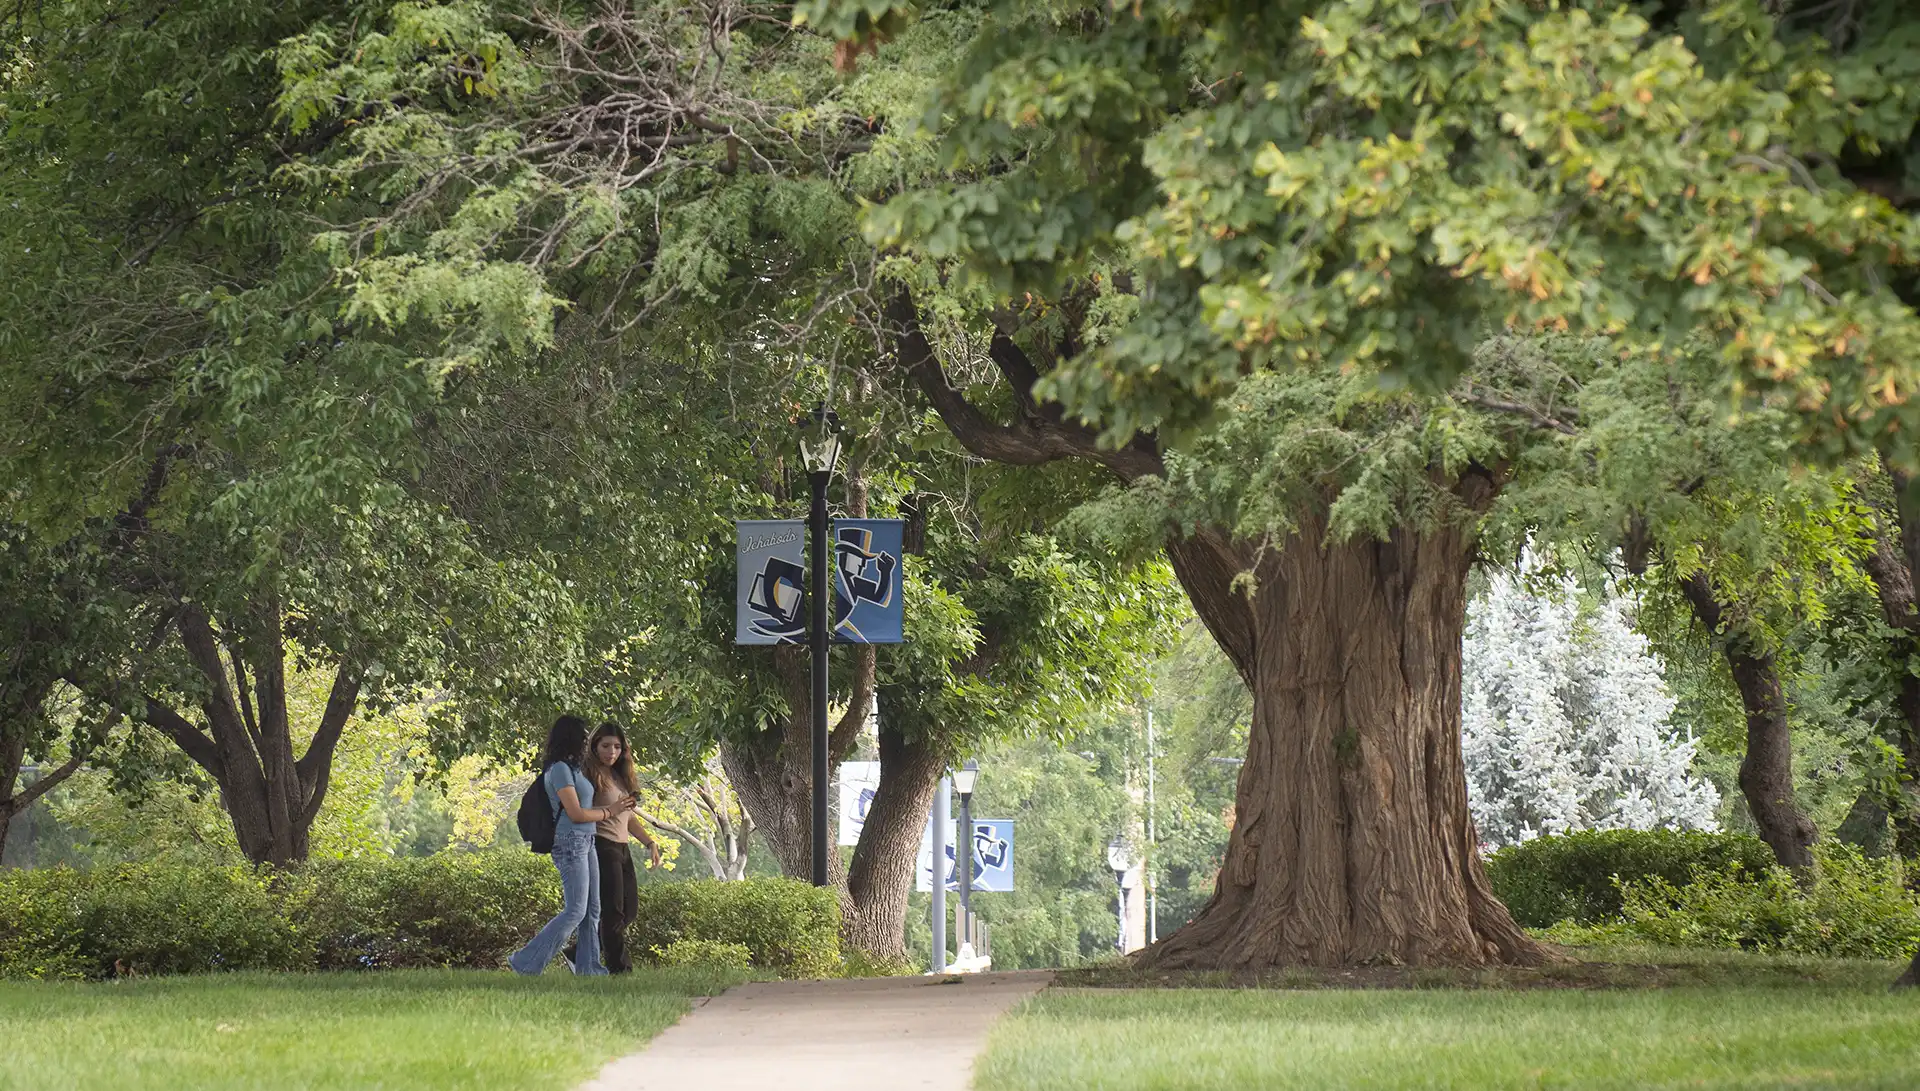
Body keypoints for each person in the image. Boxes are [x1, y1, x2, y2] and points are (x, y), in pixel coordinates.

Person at [507, 715, 636, 976]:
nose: (587, 740)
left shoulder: (575, 769)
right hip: (570, 843)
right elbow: (576, 813)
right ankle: (525, 962)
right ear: (571, 737)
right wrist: (609, 812)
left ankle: (590, 969)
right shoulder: (559, 770)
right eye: (584, 735)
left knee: (593, 911)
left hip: (586, 842)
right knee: (576, 910)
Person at [577, 722, 663, 974]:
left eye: (617, 747)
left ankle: (577, 952)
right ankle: (620, 970)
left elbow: (628, 817)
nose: (611, 752)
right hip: (602, 845)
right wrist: (609, 811)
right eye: (605, 746)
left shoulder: (618, 776)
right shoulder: (588, 775)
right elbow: (579, 812)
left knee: (630, 910)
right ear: (594, 746)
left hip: (622, 848)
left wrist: (649, 842)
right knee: (613, 912)